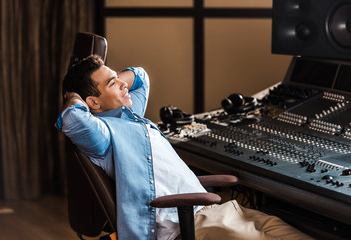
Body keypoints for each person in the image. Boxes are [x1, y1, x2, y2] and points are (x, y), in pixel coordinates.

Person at [56, 55, 314, 240]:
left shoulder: (129, 114)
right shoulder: (103, 135)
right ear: (93, 103)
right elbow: (72, 119)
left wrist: (111, 80)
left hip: (220, 211)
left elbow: (141, 77)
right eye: (113, 84)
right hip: (191, 227)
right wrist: (75, 96)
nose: (124, 85)